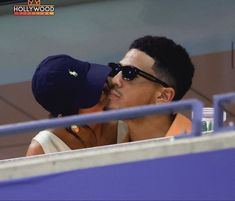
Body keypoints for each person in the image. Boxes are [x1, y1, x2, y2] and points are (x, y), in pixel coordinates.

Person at [107, 35, 195, 142]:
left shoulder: (204, 149)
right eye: (116, 69)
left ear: (164, 96)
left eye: (129, 73)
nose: (115, 80)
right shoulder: (107, 145)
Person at [26, 54, 117, 156]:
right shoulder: (43, 149)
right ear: (70, 113)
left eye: (102, 85)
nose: (109, 96)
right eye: (96, 95)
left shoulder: (125, 121)